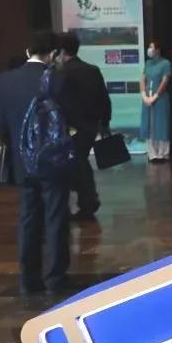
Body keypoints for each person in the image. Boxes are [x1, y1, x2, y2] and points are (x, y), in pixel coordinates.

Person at [0, 30, 70, 294]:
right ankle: (55, 279)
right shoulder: (58, 79)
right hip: (53, 162)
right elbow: (69, 119)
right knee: (55, 218)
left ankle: (29, 279)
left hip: (22, 161)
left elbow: (2, 122)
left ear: (28, 51)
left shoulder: (5, 80)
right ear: (53, 53)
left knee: (28, 219)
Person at [54, 32, 112, 222]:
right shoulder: (92, 70)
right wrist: (105, 122)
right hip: (90, 127)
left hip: (69, 128)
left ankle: (87, 201)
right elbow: (104, 98)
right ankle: (88, 200)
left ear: (62, 50)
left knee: (76, 164)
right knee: (81, 161)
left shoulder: (61, 73)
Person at [140, 40, 172, 163]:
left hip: (161, 99)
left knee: (161, 124)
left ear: (158, 50)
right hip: (147, 98)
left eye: (152, 47)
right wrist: (144, 95)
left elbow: (165, 81)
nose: (150, 50)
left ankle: (162, 153)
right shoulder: (148, 63)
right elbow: (143, 80)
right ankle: (152, 153)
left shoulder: (166, 63)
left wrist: (155, 96)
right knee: (149, 124)